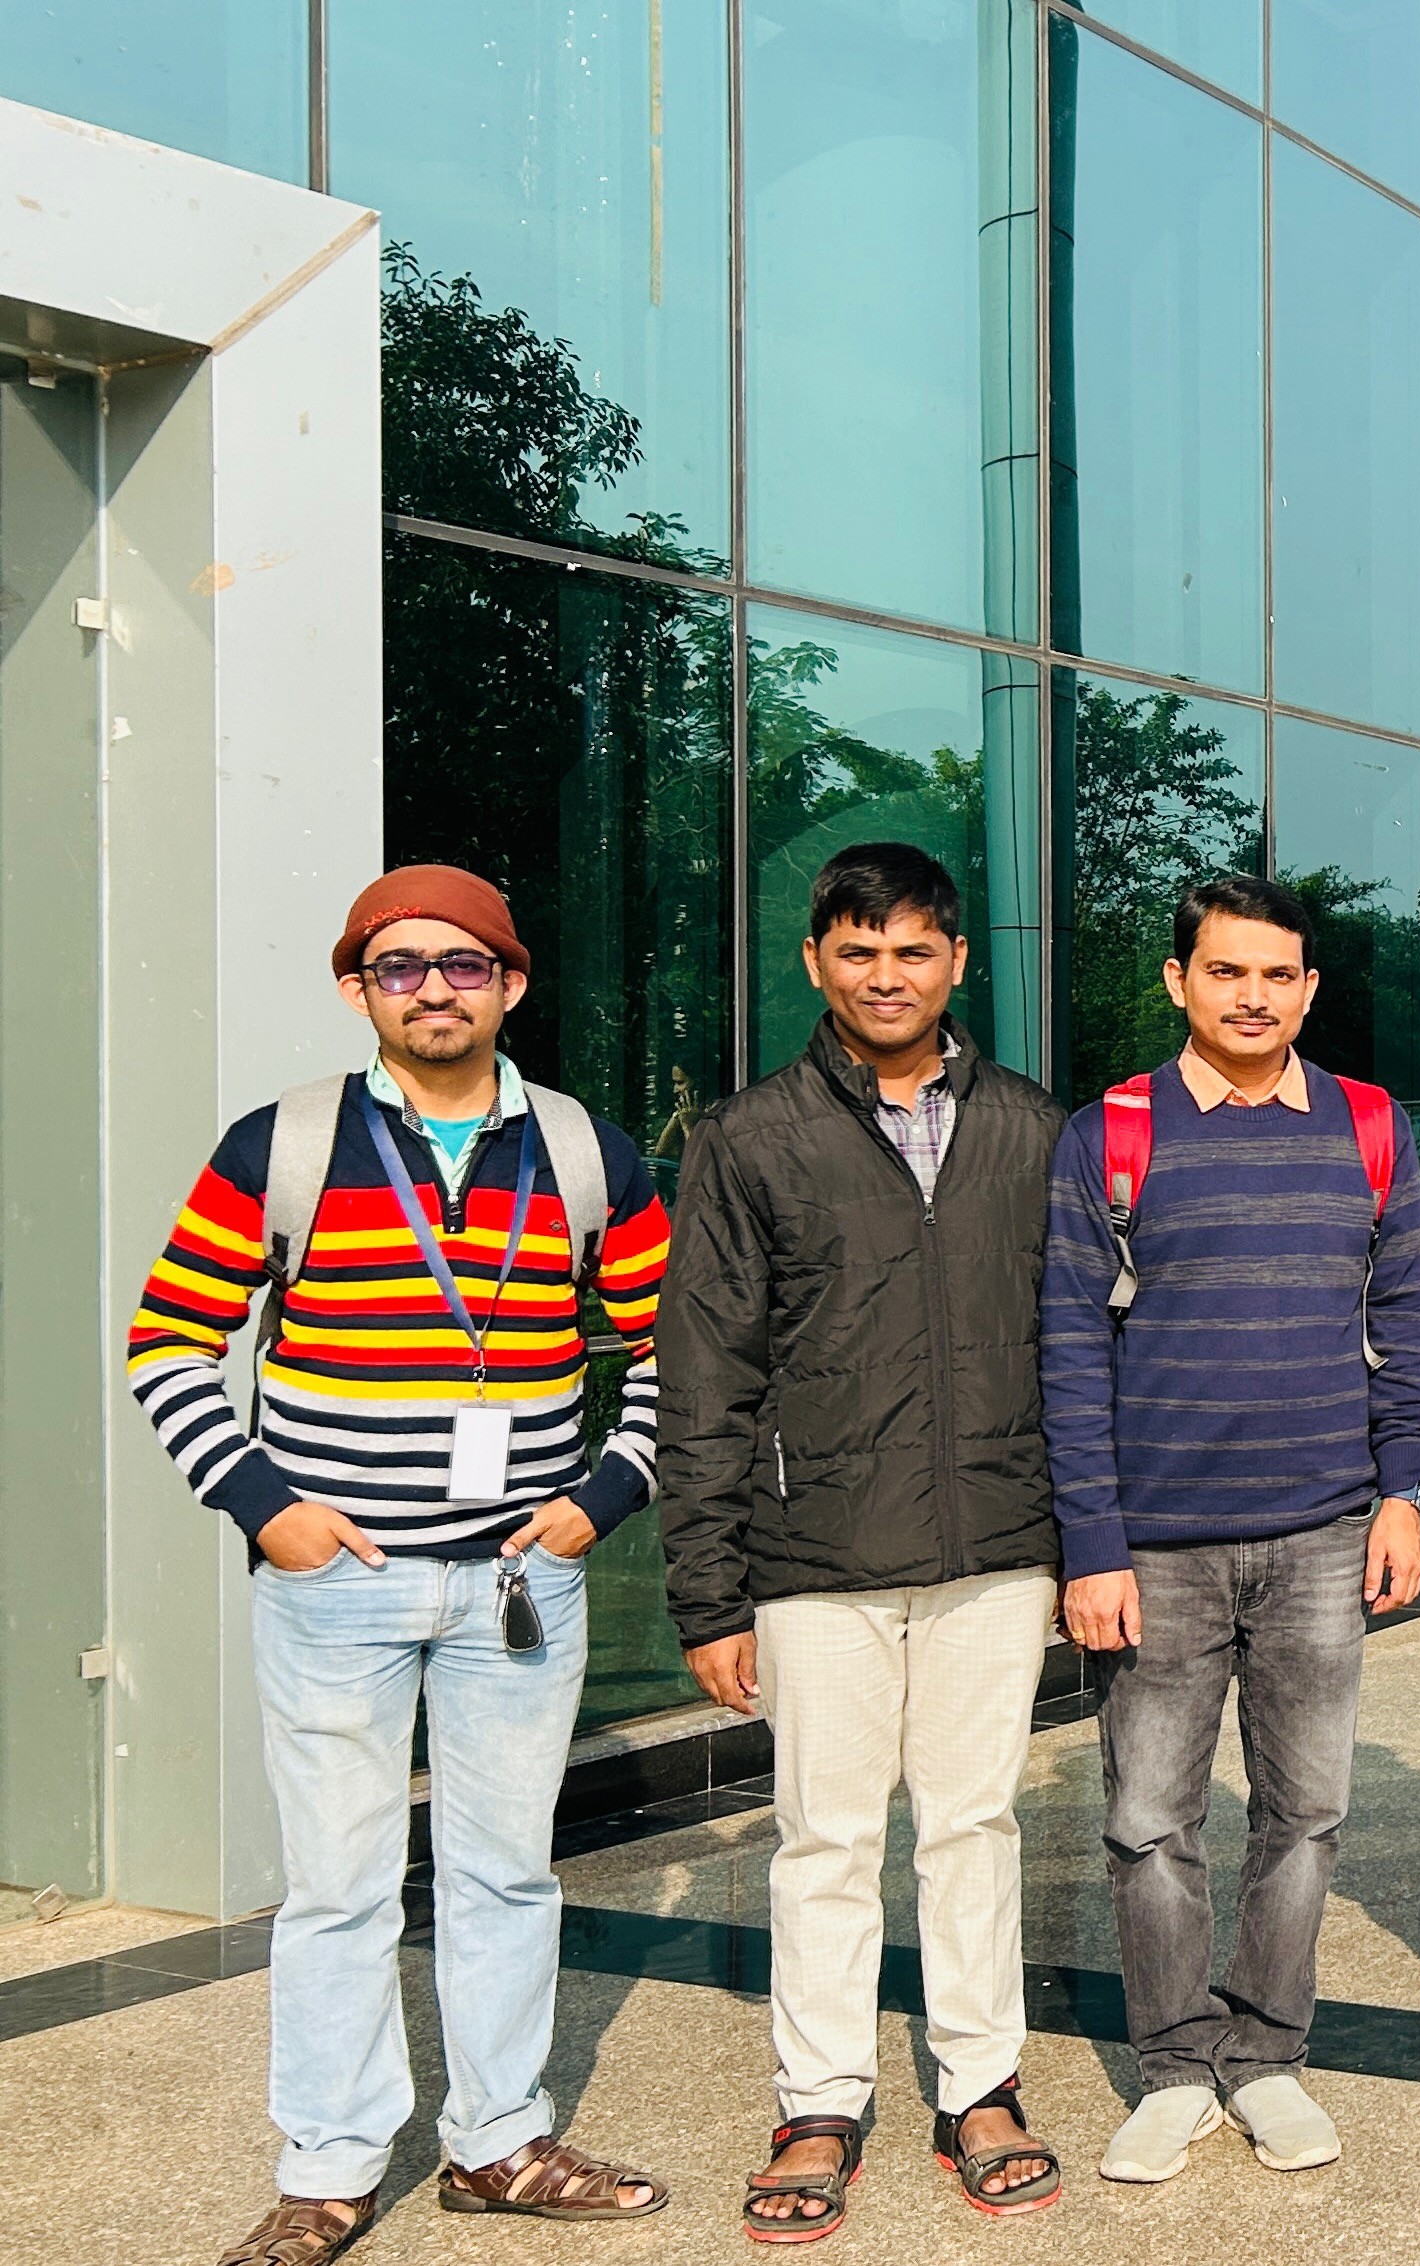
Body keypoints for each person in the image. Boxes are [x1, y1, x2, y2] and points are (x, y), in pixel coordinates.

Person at [125, 865, 673, 2266]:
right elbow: (168, 1342)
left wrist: (604, 1493)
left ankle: (498, 2141)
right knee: (339, 1885)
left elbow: (686, 1356)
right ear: (357, 985)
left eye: (463, 964)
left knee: (505, 1873)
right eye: (400, 965)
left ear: (514, 980)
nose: (434, 987)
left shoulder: (585, 1151)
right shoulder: (284, 1144)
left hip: (518, 1584)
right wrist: (264, 1503)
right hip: (333, 1582)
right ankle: (327, 2164)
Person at [659, 843, 1075, 2238]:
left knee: (972, 1824)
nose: (884, 974)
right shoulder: (746, 1137)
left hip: (997, 1547)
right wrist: (707, 1592)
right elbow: (703, 1373)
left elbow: (1075, 1349)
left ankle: (980, 2086)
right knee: (823, 1838)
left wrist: (1083, 1545)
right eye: (858, 949)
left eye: (911, 949)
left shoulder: (1030, 1126)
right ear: (814, 963)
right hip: (813, 1554)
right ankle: (819, 2098)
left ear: (957, 961)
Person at [1044, 873, 1420, 2182]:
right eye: (1226, 972)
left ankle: (1265, 2056)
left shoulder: (1370, 1125)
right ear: (1178, 981)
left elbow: (1401, 1322)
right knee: (1150, 1820)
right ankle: (1170, 2066)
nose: (1252, 996)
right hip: (1155, 1545)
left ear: (1309, 987)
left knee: (1305, 1812)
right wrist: (1091, 1543)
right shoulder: (1110, 1131)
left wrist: (1403, 1491)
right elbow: (1066, 1346)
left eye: (1278, 975)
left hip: (1324, 1533)